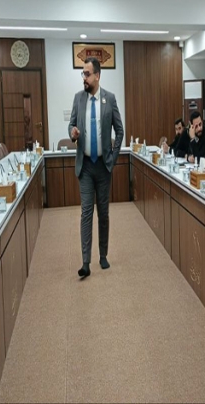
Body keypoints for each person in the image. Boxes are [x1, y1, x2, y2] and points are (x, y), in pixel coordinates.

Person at [69, 57, 124, 279]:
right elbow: (71, 125)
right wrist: (72, 133)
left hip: (103, 166)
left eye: (87, 74)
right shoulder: (78, 98)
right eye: (83, 73)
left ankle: (103, 255)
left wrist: (113, 157)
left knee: (103, 212)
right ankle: (85, 262)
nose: (84, 77)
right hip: (85, 166)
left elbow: (120, 130)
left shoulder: (109, 99)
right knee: (86, 212)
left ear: (97, 76)